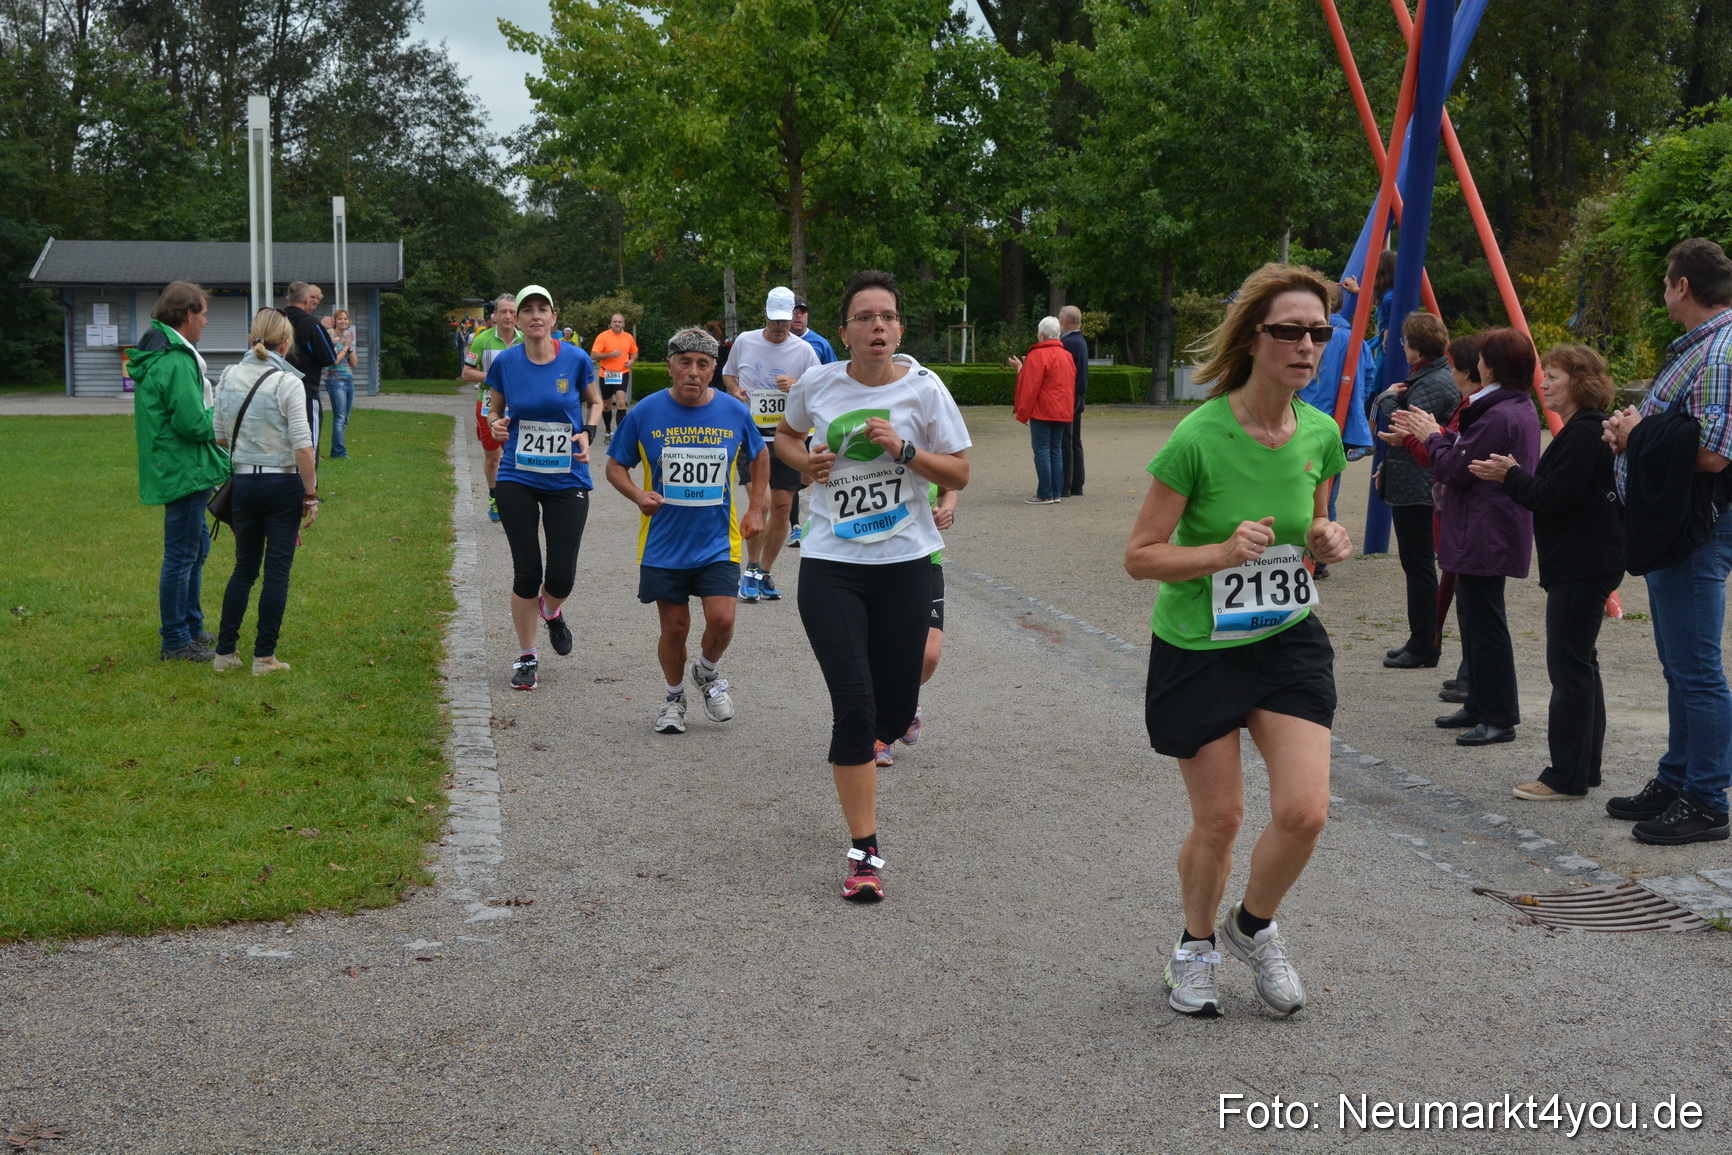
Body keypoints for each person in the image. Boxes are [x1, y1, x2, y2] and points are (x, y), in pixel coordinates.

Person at [1124, 262, 1352, 1018]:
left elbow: (1308, 533)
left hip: (1285, 640)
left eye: (1318, 332)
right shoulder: (1198, 436)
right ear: (1255, 338)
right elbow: (1140, 555)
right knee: (1220, 818)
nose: (1307, 345)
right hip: (1199, 644)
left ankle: (1252, 926)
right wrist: (1221, 552)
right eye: (1290, 330)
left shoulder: (1319, 434)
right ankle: (1194, 946)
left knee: (1305, 811)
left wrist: (1325, 537)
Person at [775, 269, 971, 902]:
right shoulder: (817, 384)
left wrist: (907, 451)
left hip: (907, 565)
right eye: (865, 317)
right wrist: (806, 461)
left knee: (888, 707)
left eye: (887, 316)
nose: (877, 326)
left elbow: (960, 468)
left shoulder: (925, 389)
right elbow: (784, 436)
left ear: (900, 329)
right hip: (832, 566)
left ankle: (887, 730)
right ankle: (865, 849)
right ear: (845, 331)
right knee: (855, 705)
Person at [1600, 238, 1732, 844]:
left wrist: (1637, 433)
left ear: (1682, 286)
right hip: (1675, 525)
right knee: (1680, 665)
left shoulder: (1721, 352)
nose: (1662, 291)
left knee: (1696, 668)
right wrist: (1634, 430)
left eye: (1664, 281)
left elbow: (1709, 454)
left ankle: (1706, 798)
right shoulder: (1704, 347)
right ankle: (1678, 777)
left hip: (1694, 527)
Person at [1466, 345, 1623, 800]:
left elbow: (1555, 496)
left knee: (1569, 668)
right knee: (1581, 666)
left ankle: (1566, 775)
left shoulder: (1582, 433)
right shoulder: (1584, 429)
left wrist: (1510, 475)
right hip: (1586, 561)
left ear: (1579, 382)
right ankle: (1582, 768)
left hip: (1582, 563)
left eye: (1553, 376)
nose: (1544, 383)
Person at [606, 328, 769, 732]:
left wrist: (756, 508)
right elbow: (614, 466)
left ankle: (707, 671)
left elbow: (761, 455)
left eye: (703, 364)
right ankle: (674, 698)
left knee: (723, 621)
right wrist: (637, 495)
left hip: (718, 541)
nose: (693, 372)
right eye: (685, 363)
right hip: (664, 542)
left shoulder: (734, 412)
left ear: (714, 369)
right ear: (670, 366)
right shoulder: (645, 412)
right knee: (675, 628)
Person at [1390, 328, 1541, 748]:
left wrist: (1431, 436)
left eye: (1482, 358)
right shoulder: (1507, 405)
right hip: (1482, 526)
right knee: (1477, 621)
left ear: (1491, 366)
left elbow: (1456, 469)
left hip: (1485, 529)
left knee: (1487, 623)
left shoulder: (1498, 412)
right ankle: (1479, 704)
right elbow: (1463, 454)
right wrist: (1438, 437)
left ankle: (1499, 715)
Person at [485, 285, 603, 691]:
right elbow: (493, 408)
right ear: (515, 320)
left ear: (554, 318)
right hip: (517, 474)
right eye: (527, 310)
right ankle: (526, 656)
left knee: (562, 576)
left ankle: (551, 612)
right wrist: (495, 424)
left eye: (543, 309)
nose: (535, 316)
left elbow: (596, 402)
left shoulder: (575, 358)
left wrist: (587, 433)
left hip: (566, 475)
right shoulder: (505, 362)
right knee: (527, 570)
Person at [211, 308, 319, 675]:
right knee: (276, 572)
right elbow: (304, 446)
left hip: (243, 482)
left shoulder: (227, 376)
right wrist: (311, 495)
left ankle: (224, 653)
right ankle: (264, 657)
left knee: (244, 568)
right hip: (282, 483)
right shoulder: (287, 382)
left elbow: (219, 435)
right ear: (285, 343)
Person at [130, 281, 229, 661]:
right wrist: (222, 413)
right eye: (203, 313)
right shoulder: (175, 359)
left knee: (195, 547)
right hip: (183, 467)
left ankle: (190, 626)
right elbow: (192, 422)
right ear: (187, 314)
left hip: (178, 465)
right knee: (182, 554)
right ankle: (175, 640)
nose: (206, 321)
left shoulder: (164, 353)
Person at [1370, 311, 1456, 668]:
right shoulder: (1429, 377)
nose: (1401, 345)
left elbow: (1399, 424)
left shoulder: (1431, 383)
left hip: (1419, 486)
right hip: (1413, 482)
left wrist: (1385, 397)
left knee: (1419, 566)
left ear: (1417, 347)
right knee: (1416, 564)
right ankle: (1419, 638)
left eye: (1405, 340)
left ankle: (1424, 644)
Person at [724, 285, 821, 601]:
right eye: (773, 320)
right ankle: (750, 569)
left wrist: (797, 385)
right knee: (760, 503)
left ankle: (764, 572)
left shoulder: (805, 351)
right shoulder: (745, 341)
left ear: (793, 316)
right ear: (765, 314)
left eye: (784, 321)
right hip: (752, 437)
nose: (779, 327)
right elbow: (728, 376)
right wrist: (736, 391)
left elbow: (820, 394)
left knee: (781, 508)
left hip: (789, 438)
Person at [1295, 275, 1376, 579]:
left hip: (1304, 417)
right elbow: (1368, 377)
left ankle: (1297, 552)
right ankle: (1320, 559)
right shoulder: (1353, 338)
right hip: (1338, 425)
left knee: (1296, 486)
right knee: (1326, 494)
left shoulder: (1310, 336)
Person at [874, 483, 958, 768]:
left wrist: (948, 511)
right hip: (877, 560)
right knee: (881, 649)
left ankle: (904, 698)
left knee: (929, 654)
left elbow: (952, 487)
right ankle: (878, 736)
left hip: (925, 561)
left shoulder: (927, 449)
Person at [462, 294, 525, 523]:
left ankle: (517, 499)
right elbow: (466, 373)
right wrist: (493, 377)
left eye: (512, 312)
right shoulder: (483, 340)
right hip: (488, 404)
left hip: (518, 405)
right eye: (503, 312)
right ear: (495, 316)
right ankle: (493, 496)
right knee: (493, 457)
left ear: (517, 316)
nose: (508, 316)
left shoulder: (525, 340)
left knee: (518, 453)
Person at [1008, 316, 1076, 504]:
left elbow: (1030, 387)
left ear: (1043, 335)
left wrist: (1022, 412)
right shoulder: (1066, 355)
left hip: (1043, 410)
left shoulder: (1038, 355)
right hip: (1062, 410)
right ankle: (1056, 492)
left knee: (1043, 451)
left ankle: (1045, 493)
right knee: (1055, 450)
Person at [282, 282, 336, 460]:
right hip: (304, 392)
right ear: (306, 300)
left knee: (281, 442)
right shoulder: (311, 324)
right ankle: (308, 487)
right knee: (307, 443)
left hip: (274, 390)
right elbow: (328, 357)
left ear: (288, 298)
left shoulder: (275, 319)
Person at [591, 313, 639, 442]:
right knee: (606, 405)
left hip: (622, 373)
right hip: (606, 374)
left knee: (621, 403)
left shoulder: (628, 337)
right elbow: (594, 355)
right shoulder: (603, 337)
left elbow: (634, 352)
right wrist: (610, 354)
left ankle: (621, 434)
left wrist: (632, 361)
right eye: (614, 322)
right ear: (611, 323)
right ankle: (608, 430)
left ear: (623, 324)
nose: (617, 324)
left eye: (619, 322)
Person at [1058, 305, 1089, 498]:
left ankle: (1066, 485)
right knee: (1074, 440)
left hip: (1070, 396)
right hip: (1079, 395)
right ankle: (1077, 483)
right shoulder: (1080, 341)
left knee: (1065, 441)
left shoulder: (1069, 343)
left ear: (1065, 321)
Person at [321, 307, 358, 458]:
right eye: (340, 318)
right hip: (336, 380)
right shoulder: (331, 336)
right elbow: (334, 360)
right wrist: (347, 346)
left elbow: (354, 363)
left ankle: (336, 450)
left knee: (345, 418)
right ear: (335, 321)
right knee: (340, 417)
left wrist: (349, 347)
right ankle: (339, 452)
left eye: (345, 318)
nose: (343, 321)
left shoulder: (346, 337)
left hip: (348, 380)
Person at [791, 299, 837, 364]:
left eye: (803, 311)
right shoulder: (779, 340)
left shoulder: (821, 343)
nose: (798, 315)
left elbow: (833, 371)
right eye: (795, 311)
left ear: (807, 315)